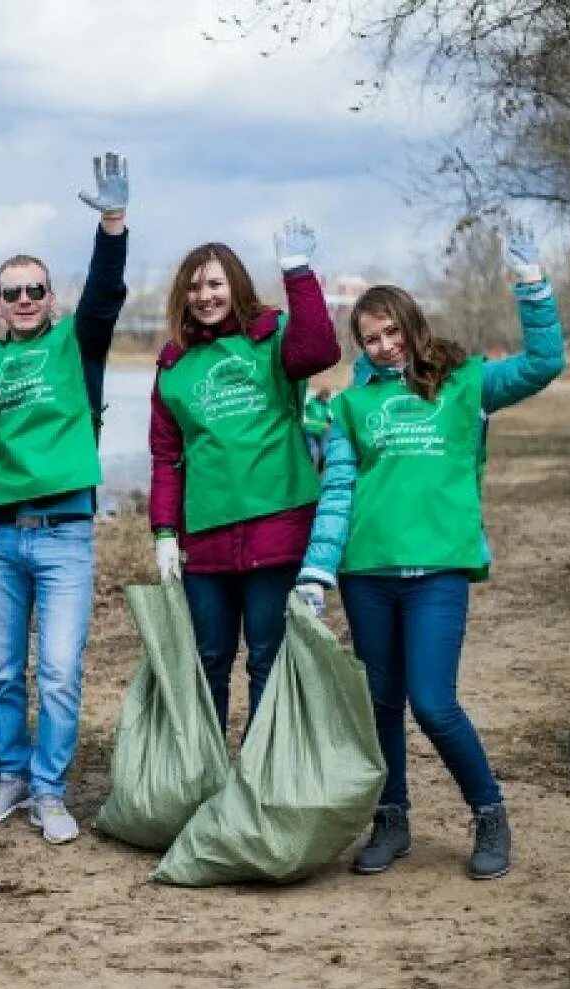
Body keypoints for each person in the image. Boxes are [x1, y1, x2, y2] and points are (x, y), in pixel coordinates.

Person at [295, 221, 564, 881]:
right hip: (368, 574)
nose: (385, 347)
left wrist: (532, 286)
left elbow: (543, 364)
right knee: (381, 703)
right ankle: (392, 821)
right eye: (371, 339)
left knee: (433, 702)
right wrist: (315, 573)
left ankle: (490, 813)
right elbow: (336, 495)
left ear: (413, 327)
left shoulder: (465, 383)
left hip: (438, 571)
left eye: (392, 332)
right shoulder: (352, 407)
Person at [0, 152, 129, 844]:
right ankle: (10, 775)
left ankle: (50, 790)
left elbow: (105, 295)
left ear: (50, 296)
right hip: (1, 537)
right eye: (11, 292)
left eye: (34, 289)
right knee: (0, 671)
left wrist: (112, 226)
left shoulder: (78, 345)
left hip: (66, 534)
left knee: (56, 670)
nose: (23, 300)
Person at [147, 221, 340, 736]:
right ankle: (206, 775)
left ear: (235, 284)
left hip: (276, 528)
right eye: (194, 287)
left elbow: (321, 351)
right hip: (205, 540)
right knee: (208, 657)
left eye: (214, 284)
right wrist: (164, 532)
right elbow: (166, 457)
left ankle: (260, 776)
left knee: (267, 657)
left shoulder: (273, 337)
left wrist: (298, 273)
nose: (205, 295)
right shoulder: (173, 366)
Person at [303, 386, 334, 471]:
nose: (326, 399)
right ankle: (310, 470)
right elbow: (303, 410)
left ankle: (320, 469)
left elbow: (329, 418)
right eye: (326, 396)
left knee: (324, 452)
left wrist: (329, 423)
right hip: (310, 431)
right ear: (321, 395)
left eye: (328, 397)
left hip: (321, 432)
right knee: (314, 451)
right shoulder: (312, 402)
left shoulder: (326, 406)